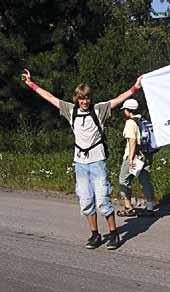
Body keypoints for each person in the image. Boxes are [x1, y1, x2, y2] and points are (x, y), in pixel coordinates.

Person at [21, 69, 143, 250]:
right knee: (86, 201)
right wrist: (31, 84)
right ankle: (95, 234)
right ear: (76, 99)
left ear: (90, 98)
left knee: (103, 200)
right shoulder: (71, 111)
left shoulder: (99, 110)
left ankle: (114, 234)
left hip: (97, 162)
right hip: (80, 163)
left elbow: (118, 99)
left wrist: (135, 87)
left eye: (86, 98)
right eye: (81, 98)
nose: (84, 101)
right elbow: (50, 98)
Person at [116, 98, 155, 218]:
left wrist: (131, 159)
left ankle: (128, 207)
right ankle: (150, 208)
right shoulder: (143, 120)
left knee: (123, 180)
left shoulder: (130, 123)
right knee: (145, 181)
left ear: (128, 110)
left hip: (134, 156)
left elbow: (132, 141)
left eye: (125, 110)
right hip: (146, 155)